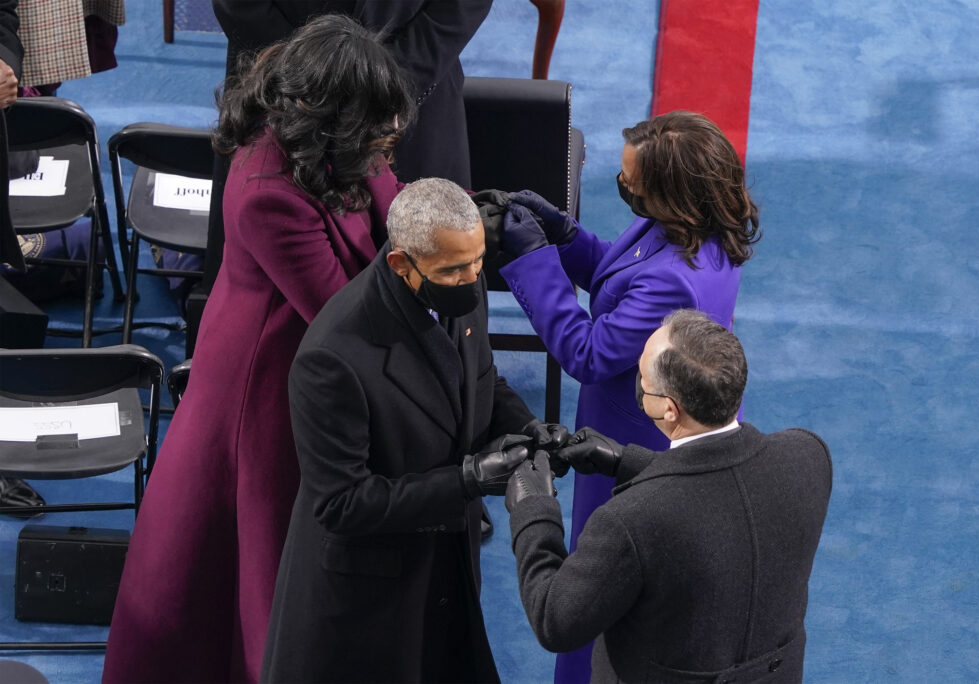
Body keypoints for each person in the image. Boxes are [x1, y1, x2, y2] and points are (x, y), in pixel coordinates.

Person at [103, 15, 414, 683]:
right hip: (263, 398)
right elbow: (342, 313)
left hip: (309, 374)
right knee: (258, 575)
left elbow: (398, 208)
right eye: (376, 129)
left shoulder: (339, 143)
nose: (387, 142)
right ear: (332, 114)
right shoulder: (267, 187)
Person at [261, 177, 566, 683]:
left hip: (444, 563)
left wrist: (530, 429)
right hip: (369, 598)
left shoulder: (457, 278)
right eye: (455, 270)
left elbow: (480, 379)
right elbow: (340, 504)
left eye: (477, 262)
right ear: (402, 263)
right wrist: (468, 480)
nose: (473, 278)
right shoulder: (331, 357)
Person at [498, 110, 762, 681]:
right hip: (658, 416)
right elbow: (620, 280)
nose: (625, 190)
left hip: (635, 441)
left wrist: (531, 259)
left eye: (634, 185)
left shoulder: (676, 276)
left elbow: (587, 351)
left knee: (599, 580)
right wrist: (565, 238)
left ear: (670, 194)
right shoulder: (692, 227)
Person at [505, 309, 833, 683]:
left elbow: (556, 620)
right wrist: (627, 461)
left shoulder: (630, 521)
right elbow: (723, 490)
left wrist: (535, 512)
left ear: (669, 409)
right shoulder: (808, 456)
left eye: (642, 378)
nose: (638, 382)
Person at [200, 0, 491, 312]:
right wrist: (309, 74)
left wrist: (380, 84)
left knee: (438, 278)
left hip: (413, 89)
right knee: (274, 306)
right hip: (285, 94)